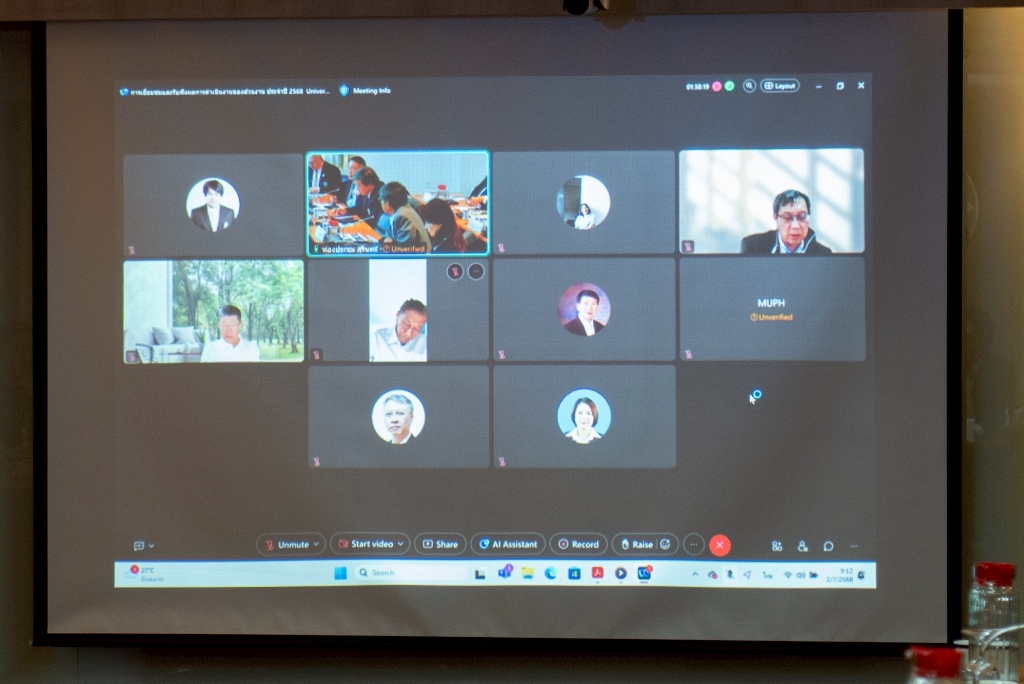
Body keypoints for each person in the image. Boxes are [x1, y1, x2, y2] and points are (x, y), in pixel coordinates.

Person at [740, 189, 833, 255]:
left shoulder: (823, 254)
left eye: (802, 217)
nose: (795, 226)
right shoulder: (754, 247)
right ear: (775, 217)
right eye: (788, 217)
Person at [379, 182, 432, 253]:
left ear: (387, 204)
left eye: (381, 200)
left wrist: (387, 246)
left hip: (420, 258)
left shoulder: (402, 216)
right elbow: (388, 235)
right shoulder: (402, 211)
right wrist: (387, 240)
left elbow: (404, 250)